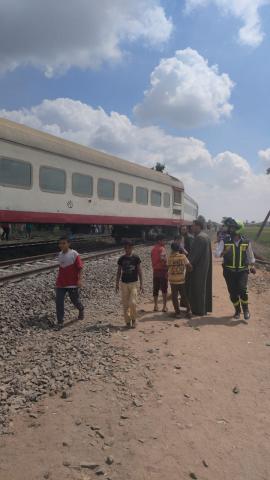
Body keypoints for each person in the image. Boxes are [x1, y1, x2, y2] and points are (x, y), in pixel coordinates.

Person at [215, 218, 256, 321]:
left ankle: (246, 310)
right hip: (229, 272)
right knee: (233, 293)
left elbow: (250, 256)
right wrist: (223, 252)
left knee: (242, 290)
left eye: (233, 227)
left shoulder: (246, 242)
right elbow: (216, 254)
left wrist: (252, 266)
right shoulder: (225, 241)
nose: (230, 229)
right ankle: (237, 311)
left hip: (242, 271)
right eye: (230, 227)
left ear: (239, 229)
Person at [55, 237, 84, 329]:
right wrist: (57, 281)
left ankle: (81, 309)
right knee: (59, 302)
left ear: (69, 244)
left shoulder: (74, 254)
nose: (61, 245)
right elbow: (61, 268)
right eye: (60, 243)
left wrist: (79, 280)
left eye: (64, 243)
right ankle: (60, 322)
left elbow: (80, 267)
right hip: (61, 283)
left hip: (72, 283)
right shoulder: (59, 254)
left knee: (75, 300)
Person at [116, 240, 143, 328]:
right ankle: (127, 321)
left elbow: (139, 271)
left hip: (134, 283)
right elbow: (119, 271)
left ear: (132, 248)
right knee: (125, 304)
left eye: (129, 248)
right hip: (124, 284)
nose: (127, 249)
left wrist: (142, 284)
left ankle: (134, 319)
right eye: (126, 248)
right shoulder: (121, 259)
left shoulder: (136, 258)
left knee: (133, 302)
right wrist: (116, 283)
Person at [189, 220, 213, 316]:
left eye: (193, 226)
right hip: (204, 266)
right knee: (204, 287)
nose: (191, 227)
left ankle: (198, 310)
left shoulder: (199, 238)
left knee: (197, 288)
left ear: (199, 226)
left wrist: (188, 263)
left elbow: (194, 255)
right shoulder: (206, 236)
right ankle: (204, 309)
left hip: (198, 268)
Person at [168, 242, 192, 318]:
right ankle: (189, 311)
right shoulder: (183, 257)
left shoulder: (169, 258)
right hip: (181, 280)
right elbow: (189, 266)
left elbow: (167, 267)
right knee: (184, 296)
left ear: (172, 249)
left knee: (174, 297)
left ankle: (178, 313)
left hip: (173, 281)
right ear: (179, 249)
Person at [151, 234, 168, 312]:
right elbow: (162, 258)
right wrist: (166, 266)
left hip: (155, 271)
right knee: (164, 289)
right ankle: (164, 307)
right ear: (160, 241)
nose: (165, 241)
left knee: (156, 289)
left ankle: (155, 306)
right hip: (162, 271)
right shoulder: (162, 249)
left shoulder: (153, 249)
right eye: (164, 240)